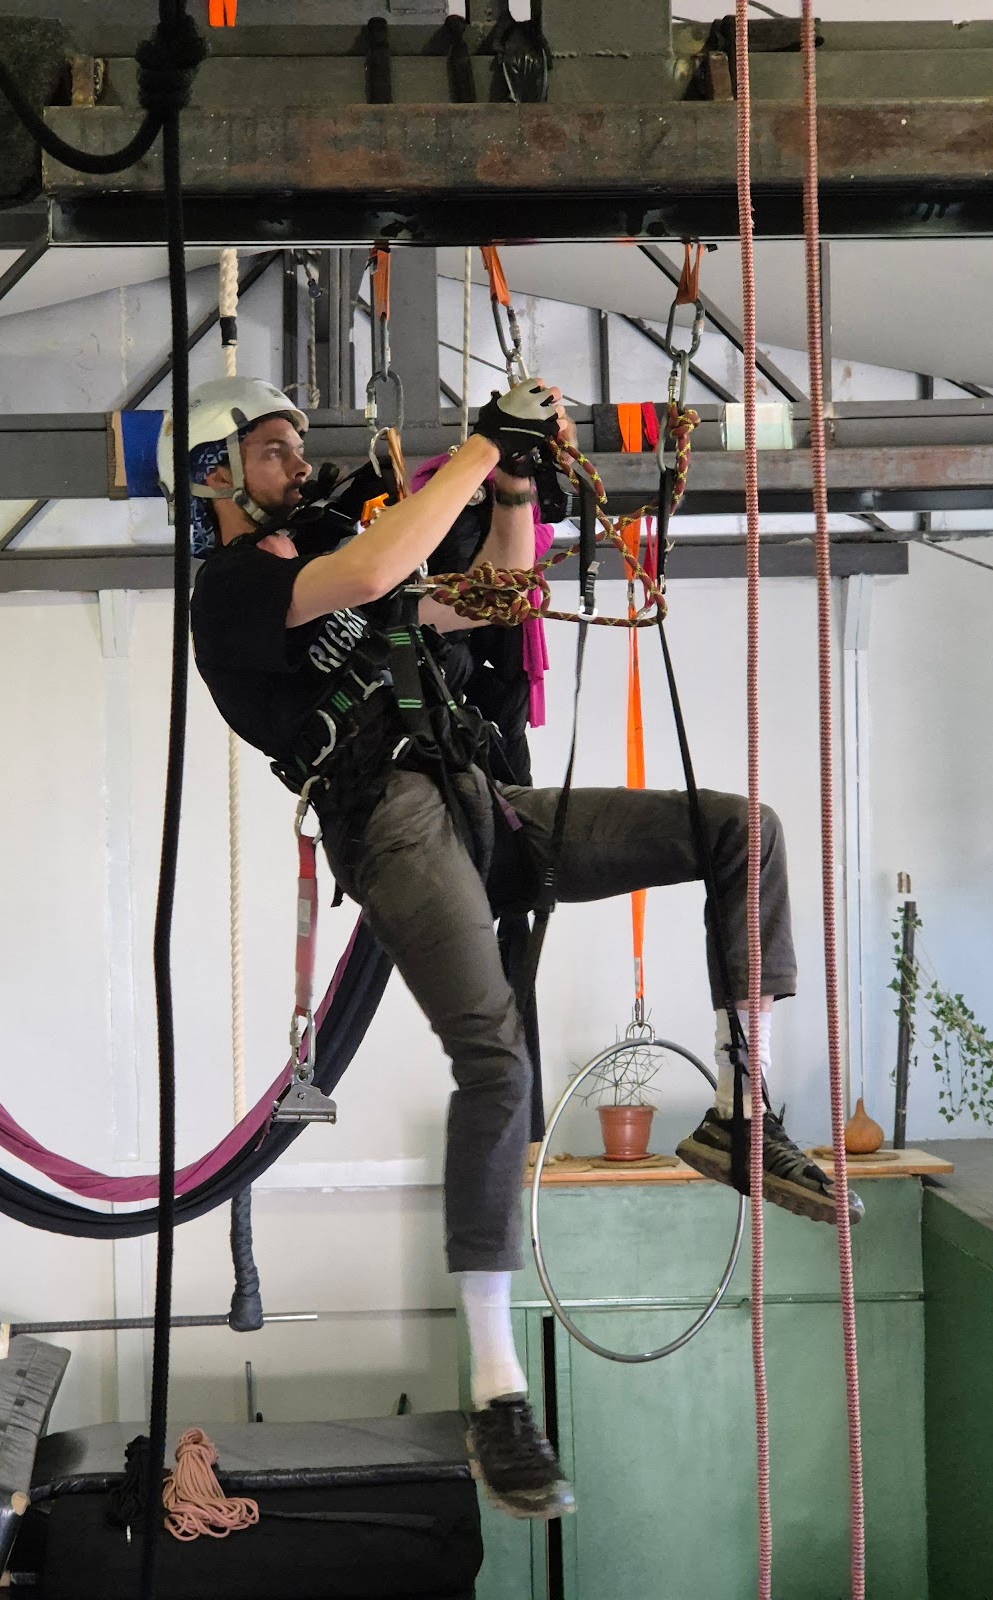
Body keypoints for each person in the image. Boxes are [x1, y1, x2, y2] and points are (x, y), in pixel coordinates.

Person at [175, 375, 861, 1522]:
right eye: (272, 448)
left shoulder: (344, 551)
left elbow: (498, 595)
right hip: (389, 821)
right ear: (214, 476)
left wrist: (514, 486)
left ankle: (743, 1109)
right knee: (495, 1058)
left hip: (485, 802)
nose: (297, 461)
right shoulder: (234, 590)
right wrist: (478, 448)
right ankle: (497, 1390)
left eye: (296, 445)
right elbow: (372, 574)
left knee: (743, 830)